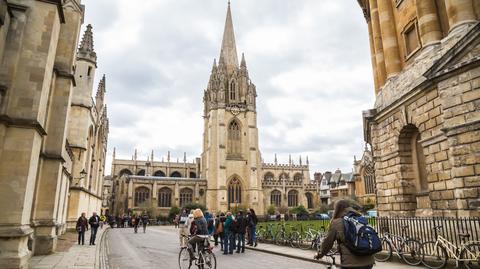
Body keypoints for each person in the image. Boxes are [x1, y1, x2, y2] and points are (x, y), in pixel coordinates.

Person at [315, 199, 375, 269]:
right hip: (369, 262)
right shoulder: (360, 218)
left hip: (351, 265)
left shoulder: (336, 222)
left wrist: (319, 254)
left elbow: (327, 243)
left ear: (337, 209)